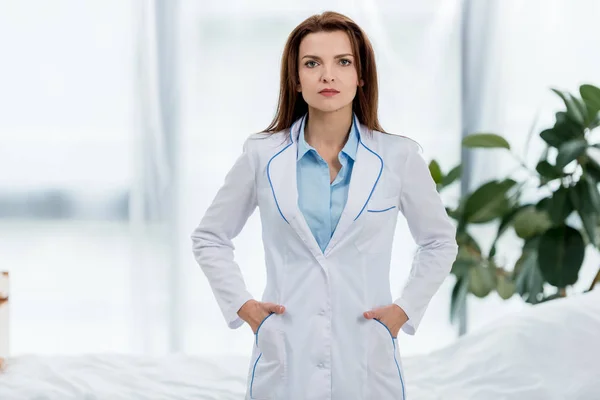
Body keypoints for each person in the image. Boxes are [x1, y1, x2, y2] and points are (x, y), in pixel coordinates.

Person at [191, 11, 458, 400]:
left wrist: (402, 312)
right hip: (286, 358)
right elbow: (209, 237)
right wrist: (245, 309)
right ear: (296, 79)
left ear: (360, 76)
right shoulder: (262, 156)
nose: (327, 76)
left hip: (367, 358)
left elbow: (438, 241)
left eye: (343, 62)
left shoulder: (399, 158)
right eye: (312, 63)